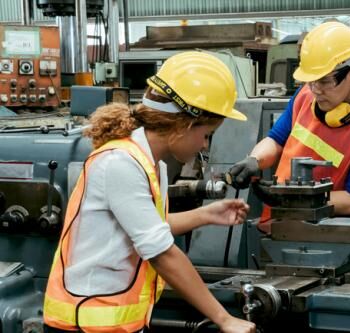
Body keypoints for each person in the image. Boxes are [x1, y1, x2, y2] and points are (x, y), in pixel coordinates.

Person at [43, 52, 256, 333]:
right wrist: (225, 319)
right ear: (184, 125)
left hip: (114, 322)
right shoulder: (120, 163)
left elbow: (146, 228)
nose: (205, 146)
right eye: (206, 135)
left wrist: (206, 214)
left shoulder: (150, 163)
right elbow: (161, 252)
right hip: (86, 323)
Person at [227, 22, 350, 227]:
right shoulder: (304, 97)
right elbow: (276, 140)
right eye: (311, 81)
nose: (316, 90)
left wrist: (293, 199)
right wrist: (254, 160)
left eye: (325, 81)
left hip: (335, 240)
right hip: (282, 228)